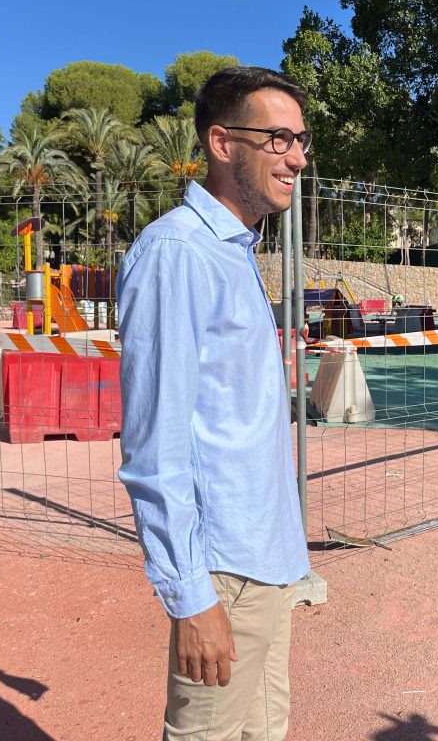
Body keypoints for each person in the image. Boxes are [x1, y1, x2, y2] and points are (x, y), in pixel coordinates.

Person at [117, 66, 312, 740]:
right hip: (224, 569)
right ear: (223, 143)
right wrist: (191, 596)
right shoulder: (178, 253)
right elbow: (154, 444)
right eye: (279, 138)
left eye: (301, 140)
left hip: (266, 562)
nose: (297, 157)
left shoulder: (233, 251)